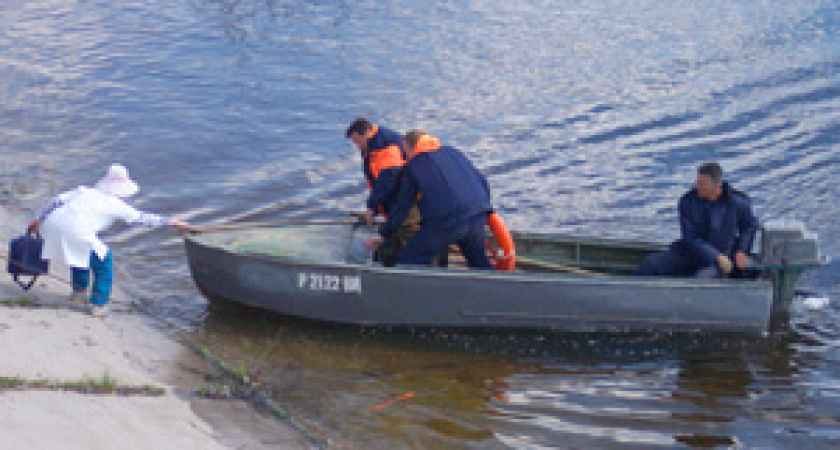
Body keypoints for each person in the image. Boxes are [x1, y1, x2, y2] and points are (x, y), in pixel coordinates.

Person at [28, 164, 190, 317]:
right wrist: (174, 222)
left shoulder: (83, 191)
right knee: (104, 261)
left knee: (80, 253)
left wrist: (37, 219)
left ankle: (79, 292)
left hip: (49, 224)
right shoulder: (116, 205)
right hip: (75, 231)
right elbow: (143, 218)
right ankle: (99, 305)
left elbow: (55, 202)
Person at [368, 130, 493, 269]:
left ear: (409, 147)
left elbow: (403, 206)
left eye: (405, 151)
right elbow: (482, 182)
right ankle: (495, 282)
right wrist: (485, 209)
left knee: (407, 260)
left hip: (447, 222)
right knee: (479, 263)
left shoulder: (414, 166)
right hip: (478, 213)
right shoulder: (453, 151)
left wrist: (383, 234)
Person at [635, 162, 759, 278]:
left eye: (702, 184)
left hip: (722, 257)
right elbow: (690, 238)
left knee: (702, 279)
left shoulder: (737, 202)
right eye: (697, 182)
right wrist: (716, 256)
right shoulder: (687, 202)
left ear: (717, 186)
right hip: (690, 252)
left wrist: (742, 250)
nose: (697, 187)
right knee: (651, 263)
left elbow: (749, 226)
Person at [345, 118, 421, 266]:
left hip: (406, 197)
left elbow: (388, 179)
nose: (357, 146)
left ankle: (414, 267)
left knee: (408, 229)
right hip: (393, 198)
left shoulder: (386, 146)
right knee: (395, 227)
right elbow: (376, 179)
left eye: (358, 141)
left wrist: (371, 206)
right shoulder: (370, 146)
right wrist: (375, 209)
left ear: (367, 133)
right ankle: (396, 259)